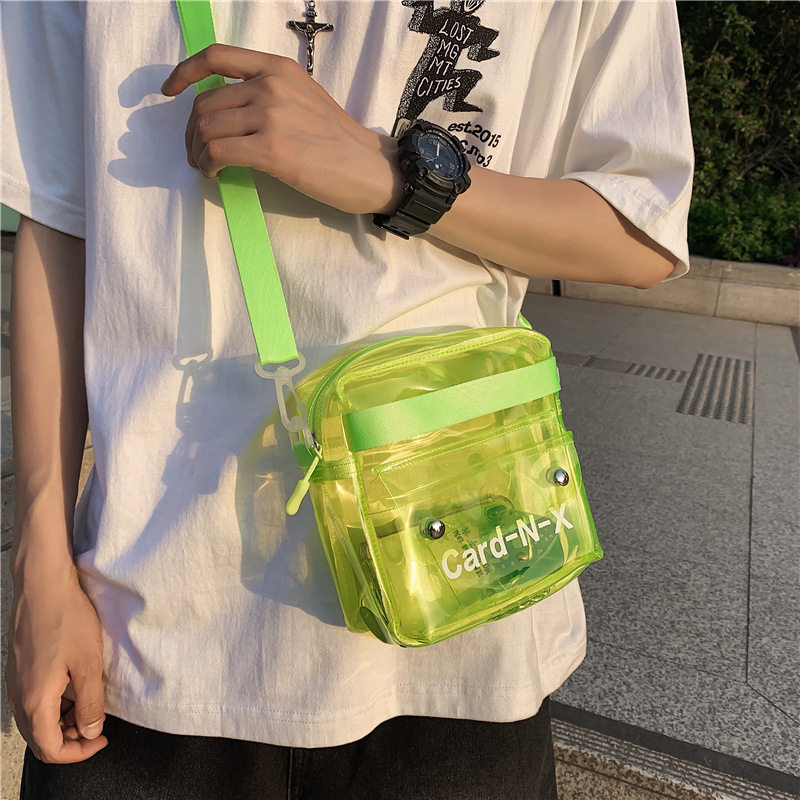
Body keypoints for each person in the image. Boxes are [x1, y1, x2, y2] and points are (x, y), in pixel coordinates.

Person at [1, 1, 692, 797]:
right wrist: (38, 566)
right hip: (148, 630)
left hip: (460, 624)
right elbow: (58, 218)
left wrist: (397, 175)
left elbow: (641, 229)